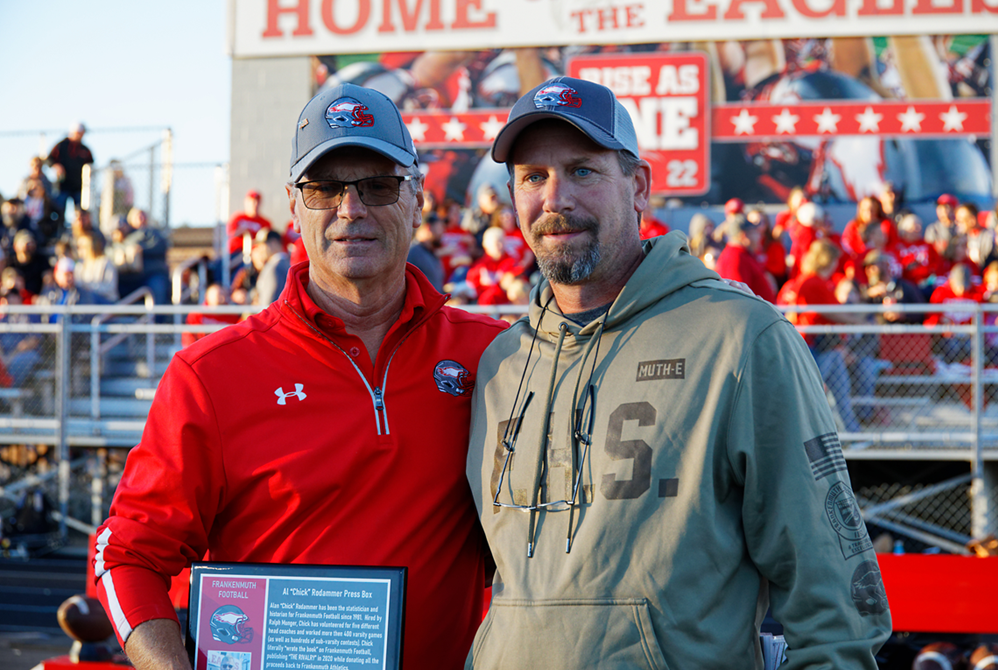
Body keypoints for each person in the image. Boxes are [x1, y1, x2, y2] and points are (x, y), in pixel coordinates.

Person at [465, 77, 890, 669]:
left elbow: (835, 607)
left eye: (583, 171)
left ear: (638, 186)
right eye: (533, 177)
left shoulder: (739, 338)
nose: (555, 199)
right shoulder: (500, 365)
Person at [93, 83, 506, 670]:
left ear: (416, 200)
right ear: (294, 206)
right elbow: (126, 555)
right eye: (324, 188)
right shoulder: (211, 374)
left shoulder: (494, 356)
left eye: (378, 186)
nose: (350, 209)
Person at [46, 122, 95, 215]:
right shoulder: (61, 146)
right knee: (59, 209)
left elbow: (91, 164)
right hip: (63, 185)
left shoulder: (85, 149)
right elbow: (49, 159)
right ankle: (60, 228)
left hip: (79, 186)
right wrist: (56, 166)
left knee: (80, 211)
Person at [249, 229, 290, 306]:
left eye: (262, 245)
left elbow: (269, 303)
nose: (259, 249)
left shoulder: (275, 267)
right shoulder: (285, 264)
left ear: (273, 243)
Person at [226, 189, 272, 256]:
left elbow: (268, 242)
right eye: (252, 201)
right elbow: (229, 235)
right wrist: (242, 231)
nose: (255, 204)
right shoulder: (237, 218)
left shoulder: (265, 223)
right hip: (235, 253)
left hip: (255, 255)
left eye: (257, 201)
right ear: (246, 202)